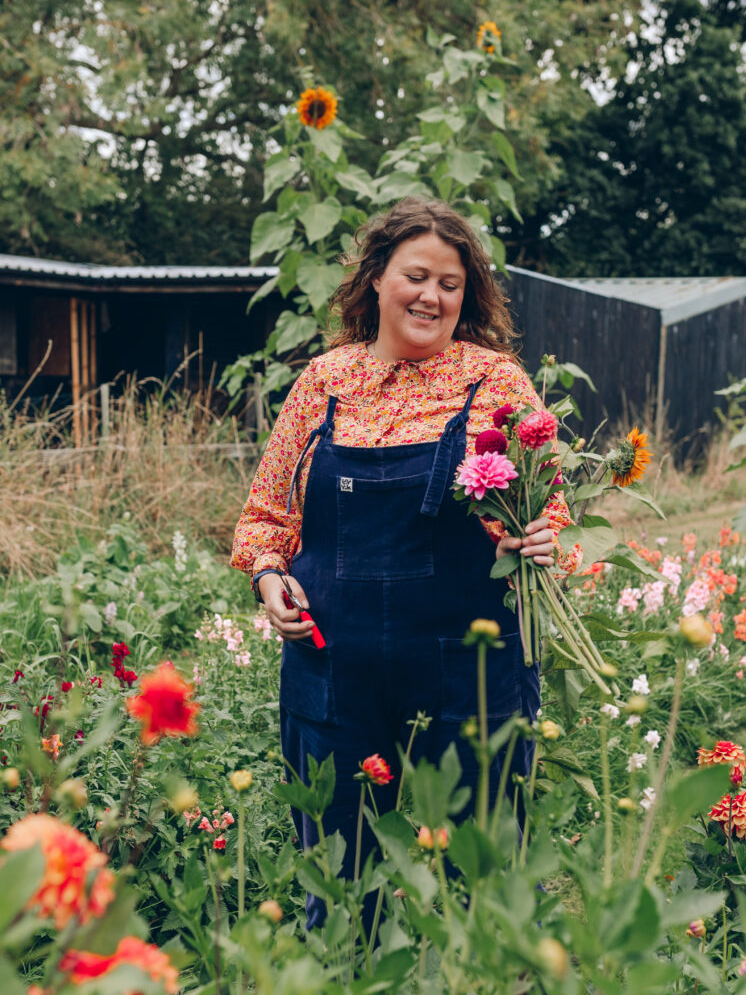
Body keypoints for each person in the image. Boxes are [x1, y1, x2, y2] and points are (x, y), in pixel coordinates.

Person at [231, 196, 577, 927]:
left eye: (450, 284)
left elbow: (552, 512)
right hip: (335, 670)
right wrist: (268, 578)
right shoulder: (324, 383)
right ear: (377, 280)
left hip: (470, 671)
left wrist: (541, 538)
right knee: (339, 882)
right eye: (417, 276)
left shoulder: (496, 383)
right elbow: (265, 519)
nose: (432, 296)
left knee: (484, 876)